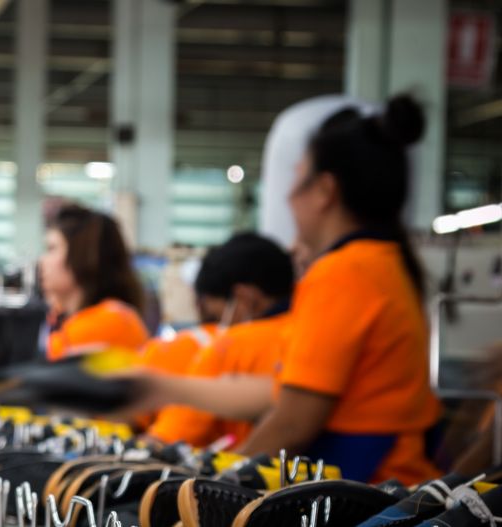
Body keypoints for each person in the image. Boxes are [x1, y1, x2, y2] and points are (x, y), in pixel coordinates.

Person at [127, 95, 441, 485]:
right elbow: (283, 399)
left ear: (324, 190)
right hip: (388, 484)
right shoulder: (386, 262)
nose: (289, 198)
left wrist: (214, 488)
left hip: (360, 490)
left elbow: (293, 424)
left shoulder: (344, 273)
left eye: (297, 178)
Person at [146, 233, 295, 447]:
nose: (212, 328)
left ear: (244, 297)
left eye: (213, 316)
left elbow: (164, 440)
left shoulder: (230, 345)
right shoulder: (318, 331)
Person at [40, 204, 148, 361]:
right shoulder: (110, 317)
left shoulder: (106, 324)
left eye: (52, 249)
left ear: (81, 256)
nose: (43, 261)